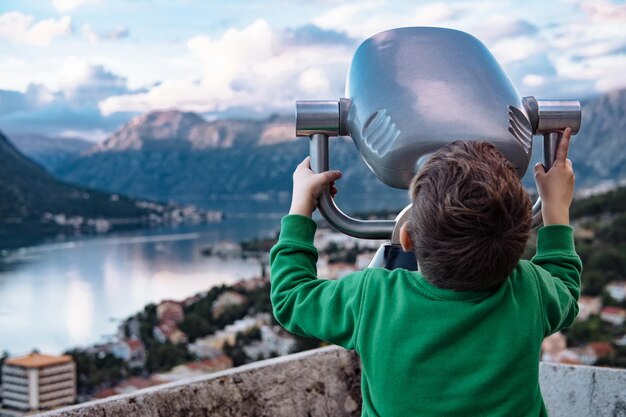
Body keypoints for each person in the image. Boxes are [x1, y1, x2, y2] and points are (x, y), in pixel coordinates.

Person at [269, 128, 581, 416]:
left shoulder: (375, 298)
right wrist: (556, 208)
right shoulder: (530, 292)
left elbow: (290, 297)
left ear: (406, 237)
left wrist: (302, 205)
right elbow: (565, 285)